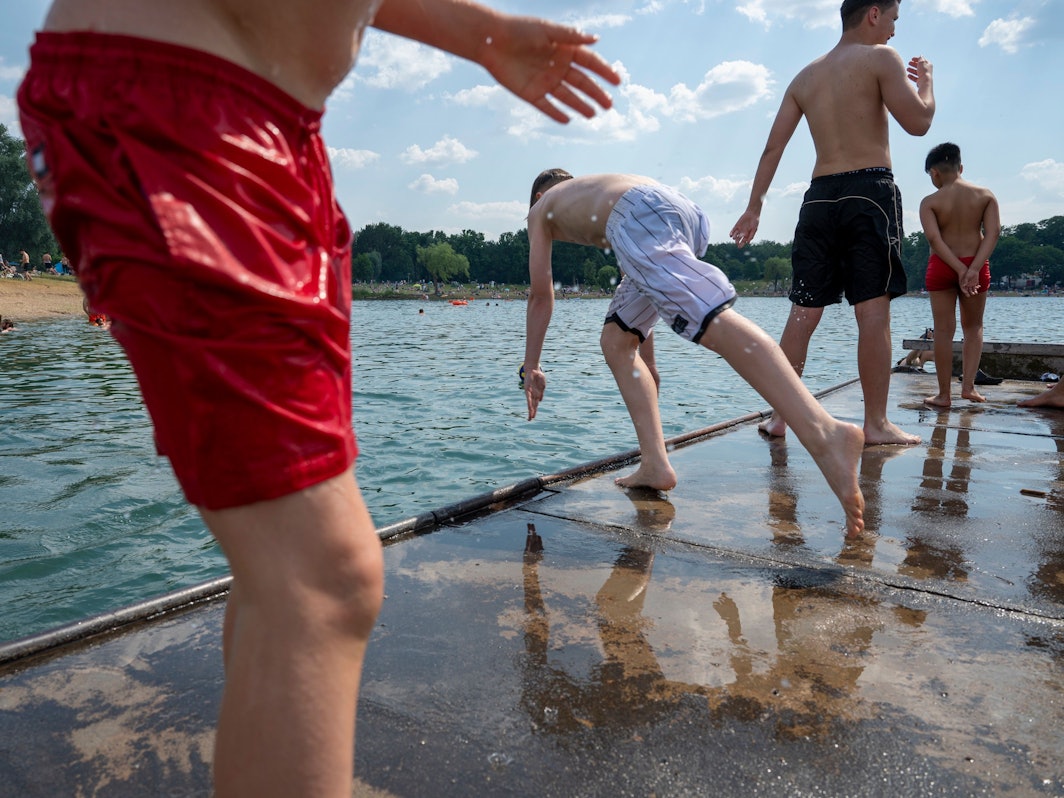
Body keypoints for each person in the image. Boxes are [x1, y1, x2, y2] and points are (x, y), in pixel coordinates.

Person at [17, 3, 620, 797]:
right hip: (183, 112)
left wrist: (483, 36)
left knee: (283, 575)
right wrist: (481, 32)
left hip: (272, 134)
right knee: (324, 576)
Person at [523, 170, 865, 535]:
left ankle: (825, 432)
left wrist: (532, 366)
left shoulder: (543, 207)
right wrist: (649, 361)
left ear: (541, 193)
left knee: (713, 319)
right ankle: (655, 463)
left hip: (641, 214)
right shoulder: (596, 192)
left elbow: (541, 295)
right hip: (682, 211)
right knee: (616, 341)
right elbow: (640, 275)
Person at [729, 0, 935, 446]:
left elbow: (772, 149)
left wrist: (754, 206)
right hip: (869, 193)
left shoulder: (805, 76)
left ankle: (782, 416)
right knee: (872, 311)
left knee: (804, 310)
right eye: (894, 20)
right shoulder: (881, 58)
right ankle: (876, 425)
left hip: (819, 199)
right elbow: (919, 123)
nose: (895, 32)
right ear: (874, 13)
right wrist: (929, 85)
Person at [919, 142, 1001, 407]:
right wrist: (973, 268)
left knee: (943, 330)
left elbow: (934, 238)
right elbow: (993, 233)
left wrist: (958, 269)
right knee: (973, 327)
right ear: (960, 167)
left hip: (944, 265)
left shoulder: (930, 202)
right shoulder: (985, 195)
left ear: (934, 173)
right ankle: (968, 388)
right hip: (976, 262)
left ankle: (944, 395)